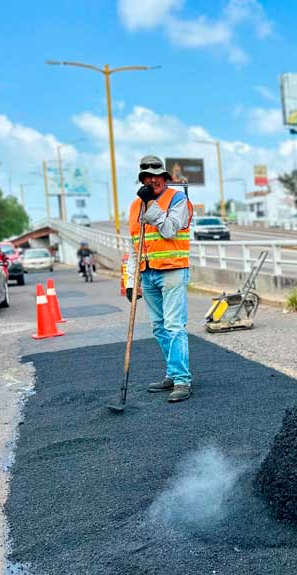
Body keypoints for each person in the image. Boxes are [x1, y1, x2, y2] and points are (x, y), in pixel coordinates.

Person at [126, 155, 194, 403]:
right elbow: (134, 244)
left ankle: (182, 381)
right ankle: (172, 373)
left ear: (165, 177)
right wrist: (130, 282)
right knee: (159, 328)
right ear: (142, 179)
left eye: (156, 174)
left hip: (173, 270)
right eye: (147, 175)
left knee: (175, 326)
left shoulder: (178, 199)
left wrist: (152, 204)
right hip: (148, 272)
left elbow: (168, 230)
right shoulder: (135, 206)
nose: (151, 179)